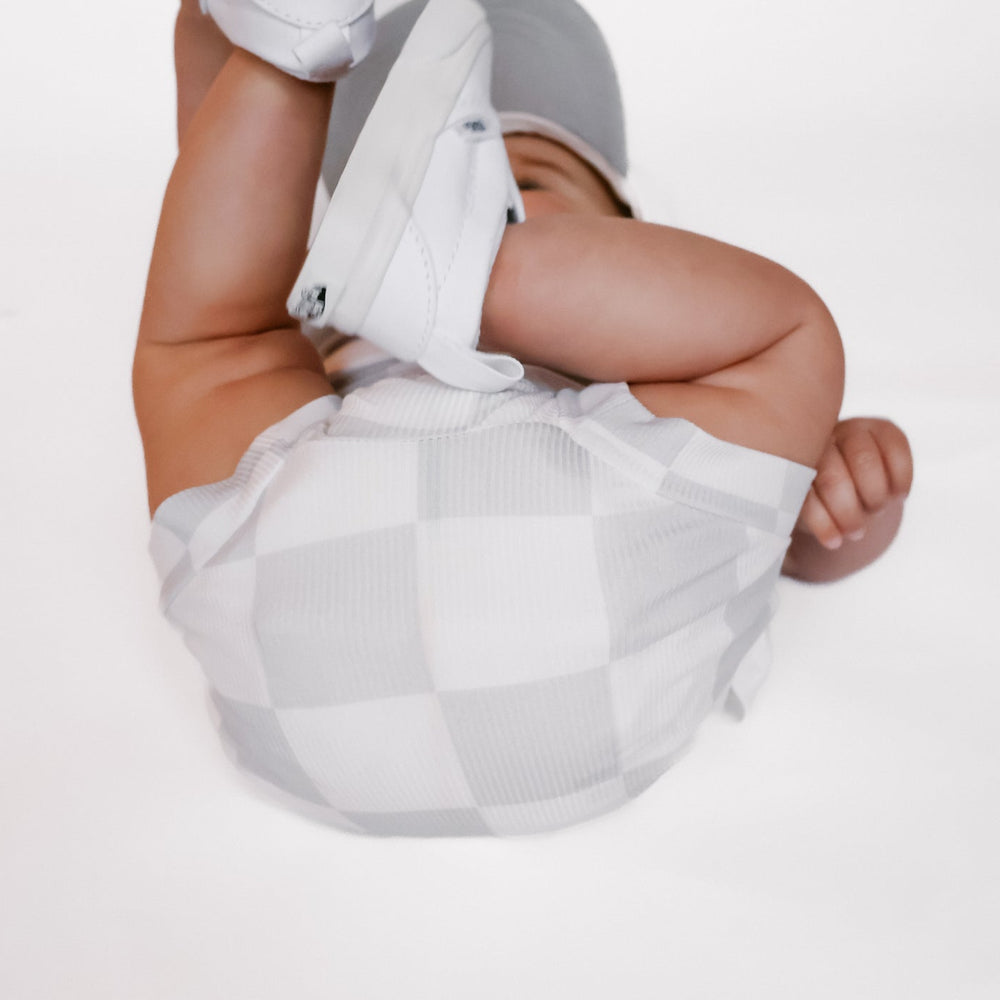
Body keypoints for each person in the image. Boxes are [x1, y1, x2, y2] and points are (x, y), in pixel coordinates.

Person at [133, 0, 913, 837]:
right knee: (788, 344)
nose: (488, 196)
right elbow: (751, 526)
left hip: (285, 662)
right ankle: (284, 60)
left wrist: (844, 506)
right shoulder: (690, 408)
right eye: (463, 197)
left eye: (518, 193)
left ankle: (283, 57)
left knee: (220, 339)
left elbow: (794, 547)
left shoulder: (321, 327)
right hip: (591, 677)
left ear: (636, 239)